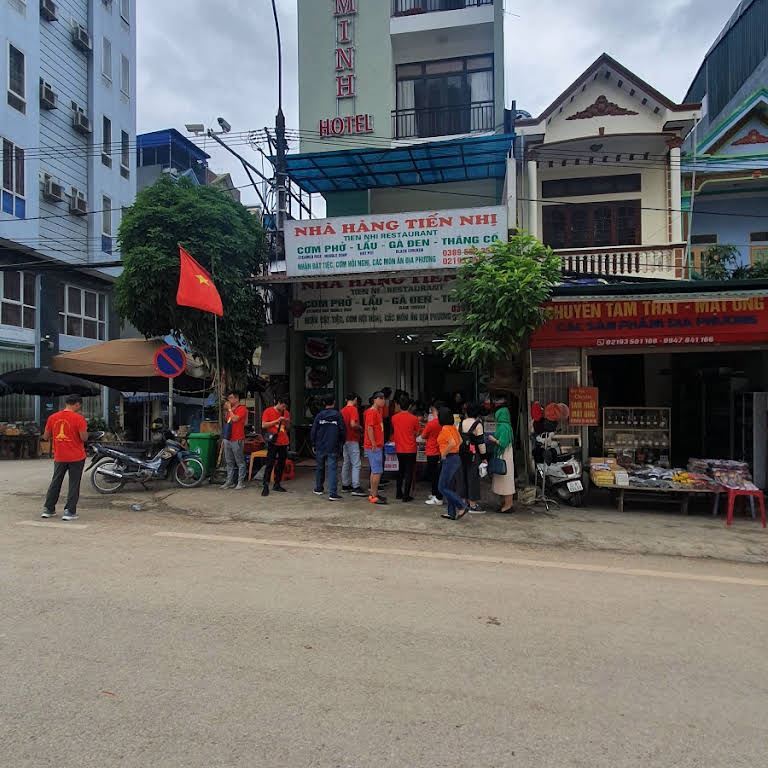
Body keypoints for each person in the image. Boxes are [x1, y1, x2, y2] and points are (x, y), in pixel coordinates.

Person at [41, 394, 89, 521]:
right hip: (76, 456)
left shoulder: (52, 417)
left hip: (59, 456)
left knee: (55, 482)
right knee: (74, 484)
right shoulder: (79, 418)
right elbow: (84, 438)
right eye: (80, 405)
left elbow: (45, 437)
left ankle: (48, 509)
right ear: (77, 404)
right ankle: (69, 511)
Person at [311, 394, 345, 501]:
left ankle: (319, 488)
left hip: (320, 445)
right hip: (333, 445)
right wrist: (341, 442)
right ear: (334, 402)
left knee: (320, 467)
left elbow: (314, 431)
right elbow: (342, 431)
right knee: (332, 469)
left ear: (324, 403)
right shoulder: (337, 415)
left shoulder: (319, 416)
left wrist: (313, 443)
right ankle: (333, 493)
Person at [436, 406, 466, 520]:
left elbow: (452, 443)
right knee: (449, 487)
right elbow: (460, 441)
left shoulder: (445, 429)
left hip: (450, 459)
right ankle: (451, 512)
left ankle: (461, 506)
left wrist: (444, 453)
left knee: (442, 487)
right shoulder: (453, 428)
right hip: (456, 458)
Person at [460, 402, 488, 513]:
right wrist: (484, 457)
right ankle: (473, 504)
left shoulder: (461, 423)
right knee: (473, 478)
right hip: (473, 455)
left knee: (463, 477)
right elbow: (481, 443)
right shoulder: (478, 424)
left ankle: (463, 502)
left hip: (461, 454)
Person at [391, 396, 420, 502]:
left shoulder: (394, 418)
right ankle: (406, 495)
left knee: (400, 471)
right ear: (409, 406)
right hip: (410, 448)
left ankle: (398, 492)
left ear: (399, 405)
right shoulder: (414, 418)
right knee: (409, 472)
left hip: (399, 448)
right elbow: (417, 432)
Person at [261, 396, 290, 497]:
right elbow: (263, 425)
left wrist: (286, 421)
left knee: (281, 463)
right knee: (270, 463)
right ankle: (265, 484)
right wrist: (277, 421)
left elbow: (288, 426)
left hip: (284, 440)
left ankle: (277, 483)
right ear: (279, 402)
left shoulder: (286, 412)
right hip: (273, 441)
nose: (284, 408)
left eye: (285, 406)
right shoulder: (268, 411)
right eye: (283, 406)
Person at [488, 406, 515, 513]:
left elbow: (502, 443)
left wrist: (493, 439)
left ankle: (508, 505)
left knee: (506, 481)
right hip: (505, 456)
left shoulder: (503, 427)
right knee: (504, 480)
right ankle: (505, 503)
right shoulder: (507, 426)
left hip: (504, 456)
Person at [340, 393, 367, 496]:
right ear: (355, 399)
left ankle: (345, 484)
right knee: (356, 463)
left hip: (344, 439)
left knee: (346, 462)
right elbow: (353, 424)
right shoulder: (353, 409)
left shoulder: (342, 410)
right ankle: (356, 486)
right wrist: (360, 427)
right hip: (352, 438)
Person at [364, 391, 387, 505]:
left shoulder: (377, 411)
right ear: (376, 399)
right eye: (382, 398)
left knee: (375, 471)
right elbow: (369, 428)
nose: (384, 401)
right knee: (377, 471)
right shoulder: (372, 412)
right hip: (374, 446)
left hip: (376, 445)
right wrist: (373, 443)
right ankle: (374, 495)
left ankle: (374, 494)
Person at [221, 390, 248, 490]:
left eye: (231, 398)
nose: (229, 400)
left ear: (236, 398)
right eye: (229, 398)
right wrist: (227, 410)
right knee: (229, 461)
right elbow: (227, 420)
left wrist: (229, 410)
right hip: (228, 438)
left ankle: (240, 482)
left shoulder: (242, 409)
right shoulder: (229, 410)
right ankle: (229, 481)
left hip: (237, 438)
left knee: (240, 461)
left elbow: (235, 419)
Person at [421, 402, 443, 506]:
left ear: (435, 411)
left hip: (432, 450)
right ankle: (435, 494)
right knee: (438, 474)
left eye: (432, 411)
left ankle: (437, 496)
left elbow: (424, 435)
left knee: (434, 475)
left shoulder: (431, 423)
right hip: (441, 451)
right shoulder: (444, 422)